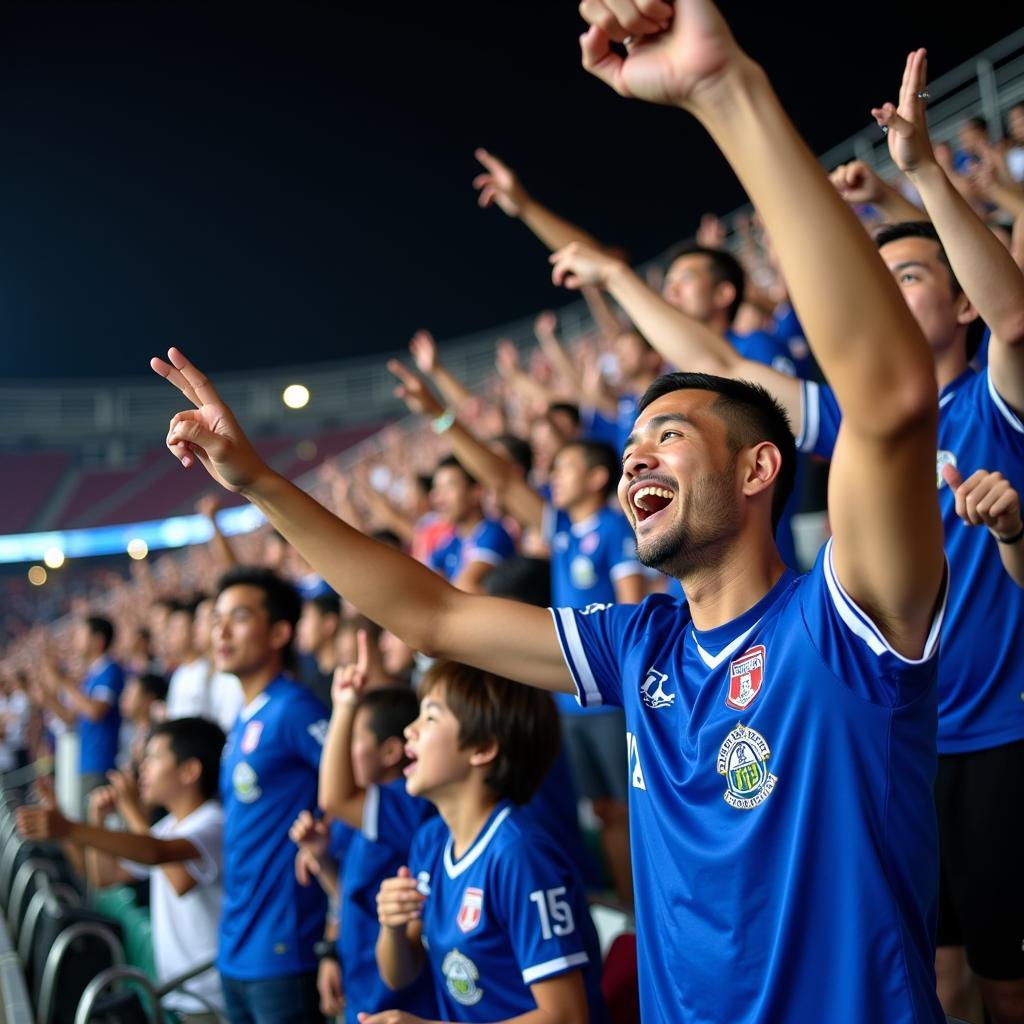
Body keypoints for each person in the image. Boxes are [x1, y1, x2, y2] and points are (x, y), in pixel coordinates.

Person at [149, 1, 947, 1018]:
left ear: (757, 471)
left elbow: (887, 400)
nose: (633, 459)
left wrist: (723, 89)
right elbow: (431, 615)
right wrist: (259, 484)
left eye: (669, 433)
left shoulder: (845, 622)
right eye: (629, 444)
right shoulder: (641, 646)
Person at [389, 359, 641, 904]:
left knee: (632, 807)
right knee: (604, 810)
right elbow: (502, 478)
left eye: (567, 468)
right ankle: (629, 908)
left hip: (612, 690)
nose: (554, 477)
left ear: (599, 478)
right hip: (570, 695)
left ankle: (649, 903)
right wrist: (440, 417)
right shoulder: (563, 530)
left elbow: (632, 605)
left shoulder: (614, 529)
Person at [372, 661, 606, 1024]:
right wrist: (392, 925)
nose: (410, 730)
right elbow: (400, 974)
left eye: (430, 718)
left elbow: (566, 1016)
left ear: (482, 747)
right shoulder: (431, 840)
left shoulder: (519, 855)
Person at [17, 717, 227, 1022]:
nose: (143, 768)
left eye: (154, 757)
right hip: (178, 991)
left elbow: (175, 873)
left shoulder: (212, 822)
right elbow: (106, 877)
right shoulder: (168, 826)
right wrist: (88, 824)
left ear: (189, 771)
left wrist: (120, 814)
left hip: (207, 995)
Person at [211, 567, 331, 1024]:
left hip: (283, 947)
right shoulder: (246, 715)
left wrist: (327, 831)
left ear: (280, 632)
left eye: (238, 617)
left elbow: (357, 789)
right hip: (236, 943)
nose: (220, 631)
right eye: (217, 617)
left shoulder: (295, 708)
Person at [315, 634, 437, 1024]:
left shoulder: (404, 802)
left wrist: (346, 703)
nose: (339, 747)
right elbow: (353, 895)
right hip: (361, 986)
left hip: (399, 1001)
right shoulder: (364, 814)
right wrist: (321, 861)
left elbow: (332, 797)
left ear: (388, 752)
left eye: (351, 737)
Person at [38, 615, 125, 817]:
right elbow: (71, 717)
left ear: (98, 640)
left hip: (101, 759)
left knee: (94, 827)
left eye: (81, 634)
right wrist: (48, 697)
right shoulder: (91, 676)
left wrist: (62, 681)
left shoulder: (110, 669)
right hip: (86, 760)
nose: (76, 639)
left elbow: (95, 711)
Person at [426, 456, 515, 593]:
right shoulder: (452, 542)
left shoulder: (493, 533)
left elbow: (463, 589)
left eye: (448, 487)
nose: (439, 497)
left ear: (475, 492)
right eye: (437, 489)